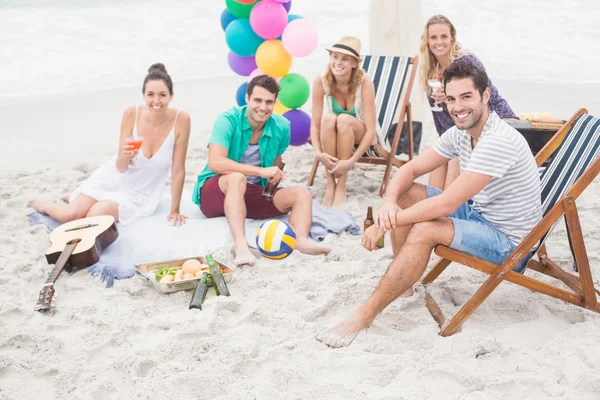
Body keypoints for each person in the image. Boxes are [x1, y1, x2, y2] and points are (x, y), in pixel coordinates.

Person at [316, 61, 542, 348]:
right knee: (406, 191)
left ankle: (362, 316)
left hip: (509, 244)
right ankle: (404, 283)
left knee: (425, 229)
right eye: (451, 98)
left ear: (485, 96)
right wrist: (388, 202)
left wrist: (385, 224)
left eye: (466, 96)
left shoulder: (497, 141)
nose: (457, 107)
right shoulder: (462, 131)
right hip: (479, 216)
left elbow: (446, 204)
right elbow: (409, 170)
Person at [28, 63, 191, 226]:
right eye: (150, 95)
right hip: (112, 178)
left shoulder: (181, 120)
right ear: (143, 95)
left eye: (162, 95)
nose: (156, 101)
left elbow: (178, 169)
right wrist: (125, 156)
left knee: (94, 216)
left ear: (171, 96)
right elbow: (121, 167)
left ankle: (73, 199)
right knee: (70, 216)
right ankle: (42, 204)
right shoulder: (131, 114)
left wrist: (174, 210)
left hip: (139, 194)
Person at [192, 75, 330, 267]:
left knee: (302, 194)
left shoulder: (282, 126)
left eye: (269, 102)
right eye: (257, 100)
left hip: (250, 192)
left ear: (275, 103)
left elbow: (275, 161)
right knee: (237, 178)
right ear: (247, 99)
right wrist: (260, 171)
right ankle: (241, 245)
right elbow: (215, 162)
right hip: (215, 191)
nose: (263, 107)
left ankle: (299, 241)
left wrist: (275, 174)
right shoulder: (228, 120)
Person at [419, 15, 517, 190]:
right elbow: (440, 120)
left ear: (452, 38)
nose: (438, 42)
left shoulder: (467, 62)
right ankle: (434, 204)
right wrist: (444, 146)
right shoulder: (430, 71)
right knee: (439, 158)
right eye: (433, 37)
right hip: (457, 133)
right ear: (427, 40)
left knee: (455, 158)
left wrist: (509, 122)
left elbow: (491, 96)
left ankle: (448, 209)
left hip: (486, 127)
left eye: (443, 36)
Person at [310, 36, 377, 208]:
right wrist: (318, 152)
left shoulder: (364, 83)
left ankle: (342, 184)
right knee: (328, 119)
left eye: (345, 59)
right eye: (335, 57)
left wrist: (351, 162)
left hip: (360, 133)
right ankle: (331, 184)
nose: (338, 62)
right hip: (336, 131)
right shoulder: (322, 81)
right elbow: (315, 124)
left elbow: (371, 130)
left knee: (343, 119)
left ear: (354, 63)